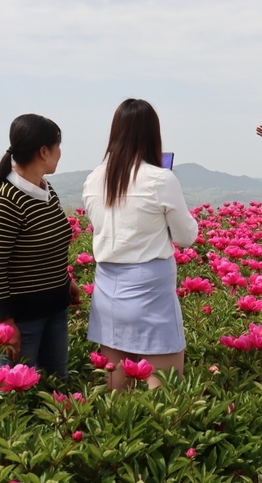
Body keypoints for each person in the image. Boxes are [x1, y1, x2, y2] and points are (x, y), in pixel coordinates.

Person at [82, 99, 198, 390]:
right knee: (164, 395)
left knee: (116, 393)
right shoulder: (160, 179)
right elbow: (186, 236)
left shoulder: (93, 180)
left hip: (108, 290)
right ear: (152, 135)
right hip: (151, 292)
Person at [0, 114, 80, 382]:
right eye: (58, 146)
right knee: (19, 396)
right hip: (23, 319)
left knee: (57, 383)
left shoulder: (46, 191)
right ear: (44, 151)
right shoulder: (5, 201)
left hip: (55, 309)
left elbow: (49, 246)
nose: (61, 152)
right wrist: (6, 324)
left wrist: (65, 281)